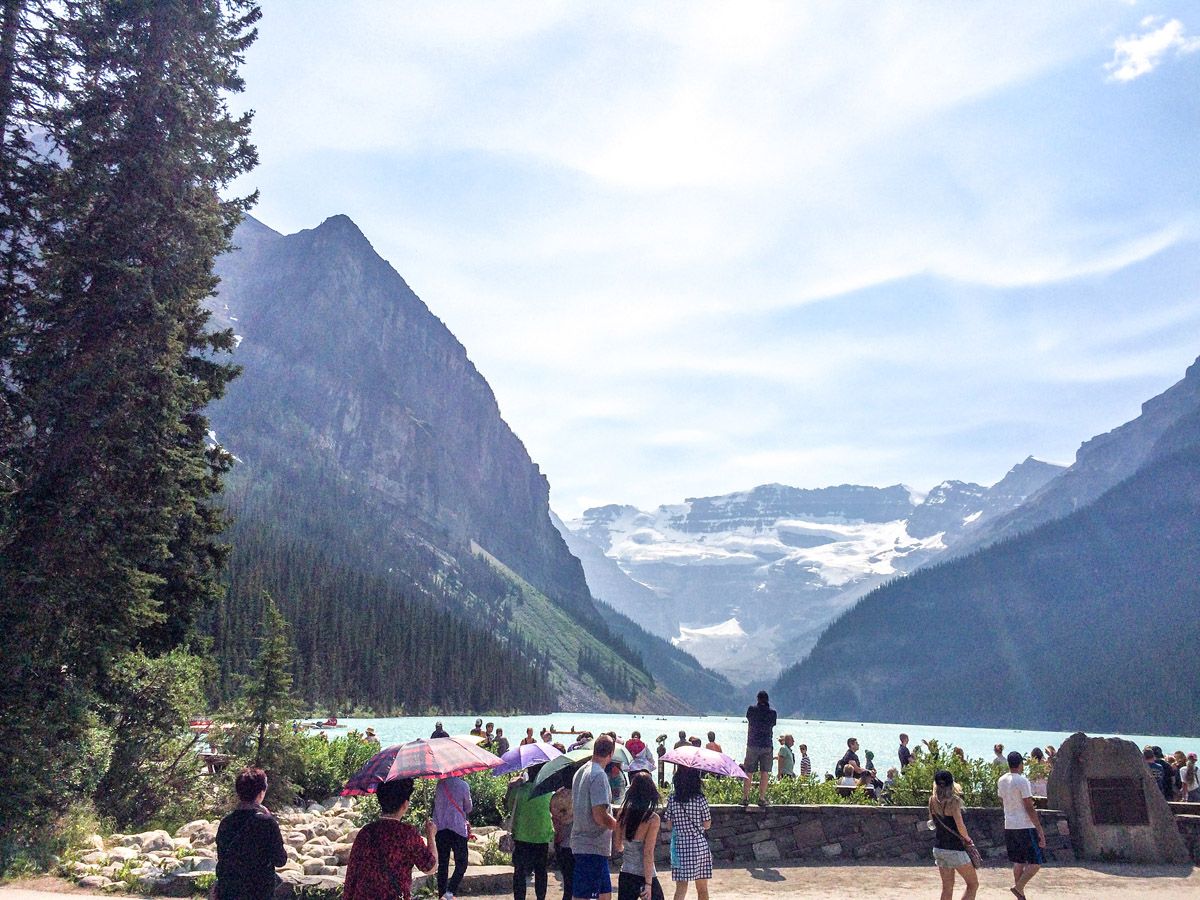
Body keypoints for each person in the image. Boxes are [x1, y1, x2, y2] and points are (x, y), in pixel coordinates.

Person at [343, 777, 437, 900]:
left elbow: (351, 875)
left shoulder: (365, 832)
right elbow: (430, 867)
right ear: (405, 804)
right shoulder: (407, 834)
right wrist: (431, 836)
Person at [215, 767, 287, 900]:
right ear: (261, 793)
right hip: (258, 892)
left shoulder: (226, 823)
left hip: (229, 892)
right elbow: (280, 860)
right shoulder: (267, 823)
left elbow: (222, 859)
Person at [571, 734, 618, 900]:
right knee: (584, 897)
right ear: (611, 753)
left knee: (605, 895)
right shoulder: (599, 775)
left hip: (589, 845)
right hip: (591, 846)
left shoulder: (581, 771)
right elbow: (599, 815)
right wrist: (620, 827)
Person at [999, 750, 1045, 900]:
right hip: (1024, 825)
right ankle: (1019, 888)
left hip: (1010, 825)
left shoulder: (1002, 780)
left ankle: (1020, 894)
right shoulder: (1022, 781)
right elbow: (1029, 806)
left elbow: (1003, 800)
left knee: (1018, 861)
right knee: (1036, 862)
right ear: (1020, 764)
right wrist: (1039, 829)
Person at [613, 772, 665, 900]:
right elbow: (648, 853)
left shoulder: (622, 814)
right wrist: (648, 884)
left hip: (626, 873)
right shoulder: (652, 819)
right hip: (645, 875)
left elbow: (618, 846)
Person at [928, 769, 978, 900]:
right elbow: (960, 826)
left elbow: (932, 823)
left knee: (947, 887)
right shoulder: (953, 802)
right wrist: (968, 839)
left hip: (939, 848)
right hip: (955, 849)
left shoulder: (932, 800)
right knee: (973, 884)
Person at [663, 765, 712, 900]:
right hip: (698, 845)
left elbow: (668, 824)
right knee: (702, 889)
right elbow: (707, 824)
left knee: (681, 888)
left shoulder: (673, 799)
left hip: (680, 846)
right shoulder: (700, 799)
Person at [509, 762, 554, 900]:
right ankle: (541, 897)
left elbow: (510, 807)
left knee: (520, 873)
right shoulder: (548, 793)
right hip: (542, 836)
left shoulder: (519, 791)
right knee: (541, 872)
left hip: (521, 836)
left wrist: (511, 786)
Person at [432, 773, 472, 900]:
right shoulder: (463, 785)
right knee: (462, 863)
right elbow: (468, 808)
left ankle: (441, 894)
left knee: (443, 864)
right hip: (457, 829)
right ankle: (450, 891)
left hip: (441, 829)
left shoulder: (440, 785)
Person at [741, 689, 777, 809]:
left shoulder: (751, 710)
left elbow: (749, 718)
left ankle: (745, 798)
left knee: (749, 771)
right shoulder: (772, 713)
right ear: (767, 700)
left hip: (752, 744)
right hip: (767, 745)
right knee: (765, 772)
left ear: (757, 699)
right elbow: (772, 724)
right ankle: (761, 798)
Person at [550, 781, 575, 900]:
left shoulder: (555, 798)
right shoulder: (580, 795)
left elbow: (555, 822)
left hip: (562, 843)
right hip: (580, 844)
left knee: (568, 882)